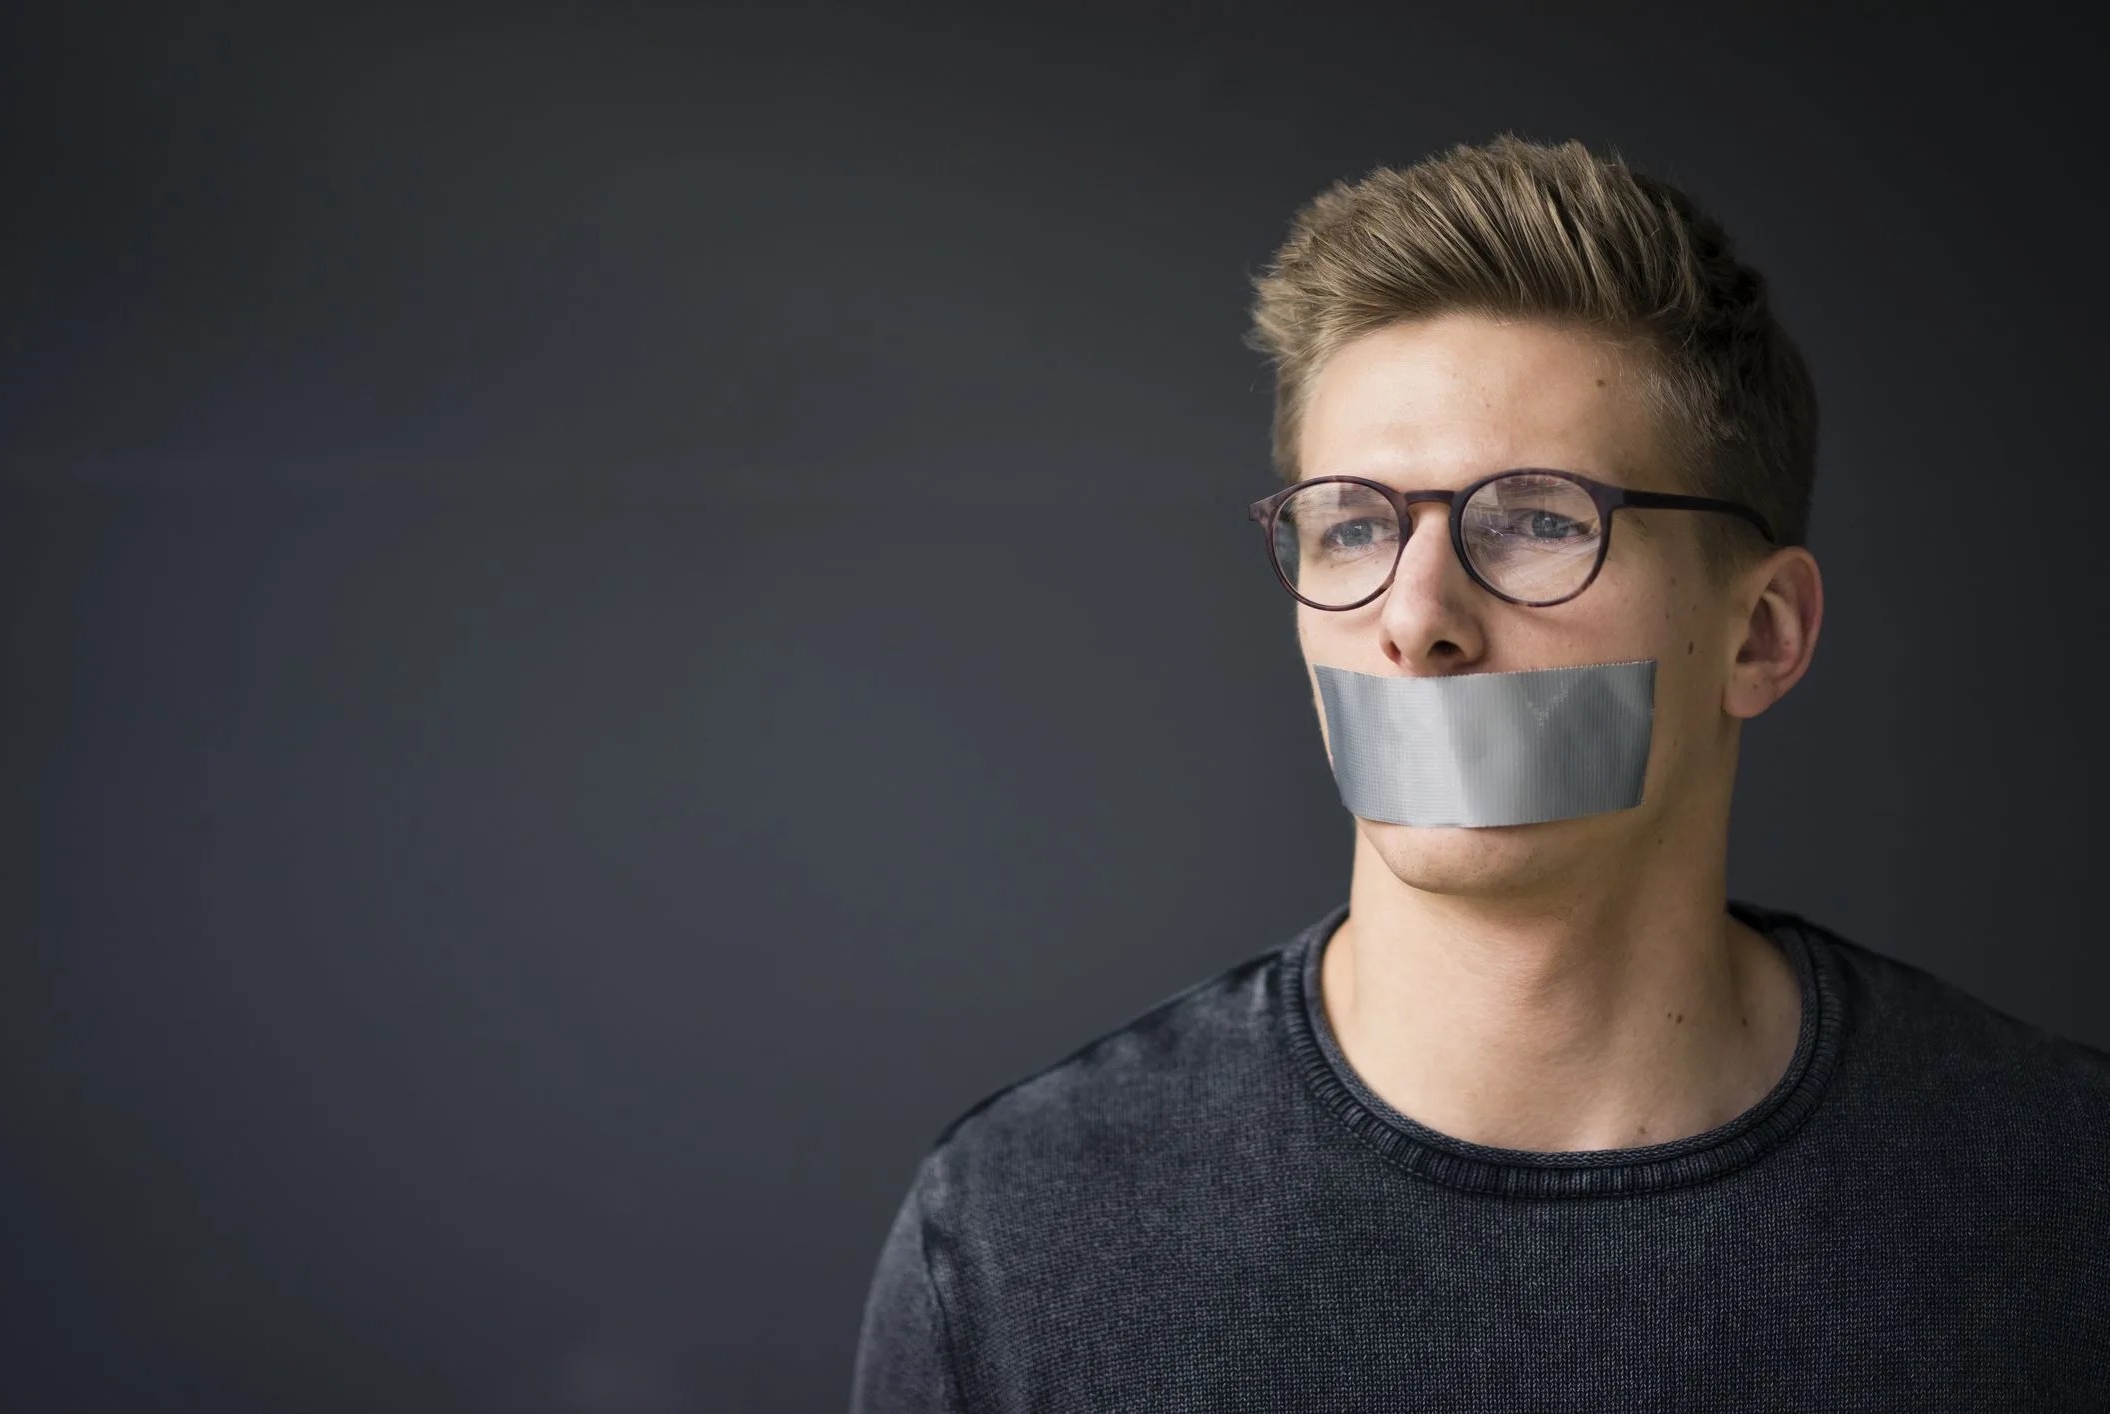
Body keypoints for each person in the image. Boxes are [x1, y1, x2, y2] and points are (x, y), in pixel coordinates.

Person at [846, 134, 2110, 1411]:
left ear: (1761, 633)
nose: (1416, 617)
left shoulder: (2063, 1195)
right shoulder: (1024, 1232)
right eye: (1352, 525)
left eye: (1540, 518)